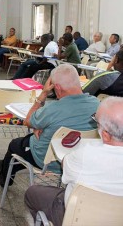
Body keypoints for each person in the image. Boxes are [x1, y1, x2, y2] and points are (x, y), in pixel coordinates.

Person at [0, 64, 99, 188]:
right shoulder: (97, 104)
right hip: (80, 160)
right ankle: (1, 164)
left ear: (56, 87)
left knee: (15, 144)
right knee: (25, 148)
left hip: (49, 161)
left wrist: (43, 94)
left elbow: (27, 121)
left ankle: (5, 178)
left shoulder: (52, 109)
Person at [25, 97, 123, 226]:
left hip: (76, 217)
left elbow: (65, 165)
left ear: (105, 135)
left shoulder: (85, 154)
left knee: (32, 193)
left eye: (96, 122)